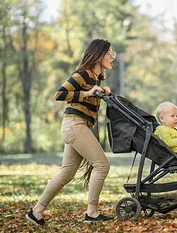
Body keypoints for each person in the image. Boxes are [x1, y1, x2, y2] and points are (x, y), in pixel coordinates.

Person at [26, 39, 116, 226]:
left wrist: (103, 92)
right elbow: (60, 94)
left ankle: (36, 211)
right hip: (75, 125)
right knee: (102, 165)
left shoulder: (96, 79)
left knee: (66, 173)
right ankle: (92, 212)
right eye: (109, 53)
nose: (112, 57)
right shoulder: (82, 74)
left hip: (76, 127)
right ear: (99, 55)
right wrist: (88, 93)